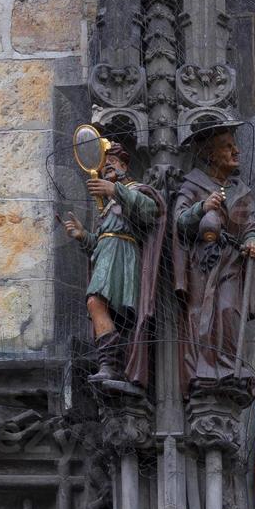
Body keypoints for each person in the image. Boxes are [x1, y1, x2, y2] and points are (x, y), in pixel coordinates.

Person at [61, 142, 165, 390]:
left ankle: (111, 362)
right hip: (107, 256)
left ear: (124, 165)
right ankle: (111, 363)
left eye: (112, 162)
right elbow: (100, 242)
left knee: (96, 303)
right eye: (104, 164)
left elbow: (151, 211)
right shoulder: (107, 206)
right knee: (100, 306)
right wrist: (83, 236)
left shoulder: (136, 190)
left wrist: (114, 190)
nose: (107, 166)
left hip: (123, 257)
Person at [172, 122, 255, 396]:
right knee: (203, 314)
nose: (236, 151)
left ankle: (228, 367)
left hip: (232, 263)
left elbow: (250, 227)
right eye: (228, 146)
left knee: (228, 310)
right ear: (211, 155)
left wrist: (253, 241)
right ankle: (205, 369)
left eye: (234, 145)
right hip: (203, 263)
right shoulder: (193, 185)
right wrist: (202, 208)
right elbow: (179, 221)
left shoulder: (241, 191)